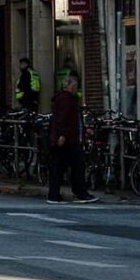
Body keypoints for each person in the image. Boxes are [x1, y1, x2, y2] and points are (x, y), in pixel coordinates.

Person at [46, 71, 95, 204]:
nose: (75, 89)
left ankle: (58, 194)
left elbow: (70, 119)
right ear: (68, 86)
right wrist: (62, 135)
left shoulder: (66, 98)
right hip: (68, 139)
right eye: (74, 86)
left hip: (68, 138)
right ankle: (78, 193)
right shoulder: (66, 99)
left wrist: (83, 130)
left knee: (64, 166)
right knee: (75, 166)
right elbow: (63, 118)